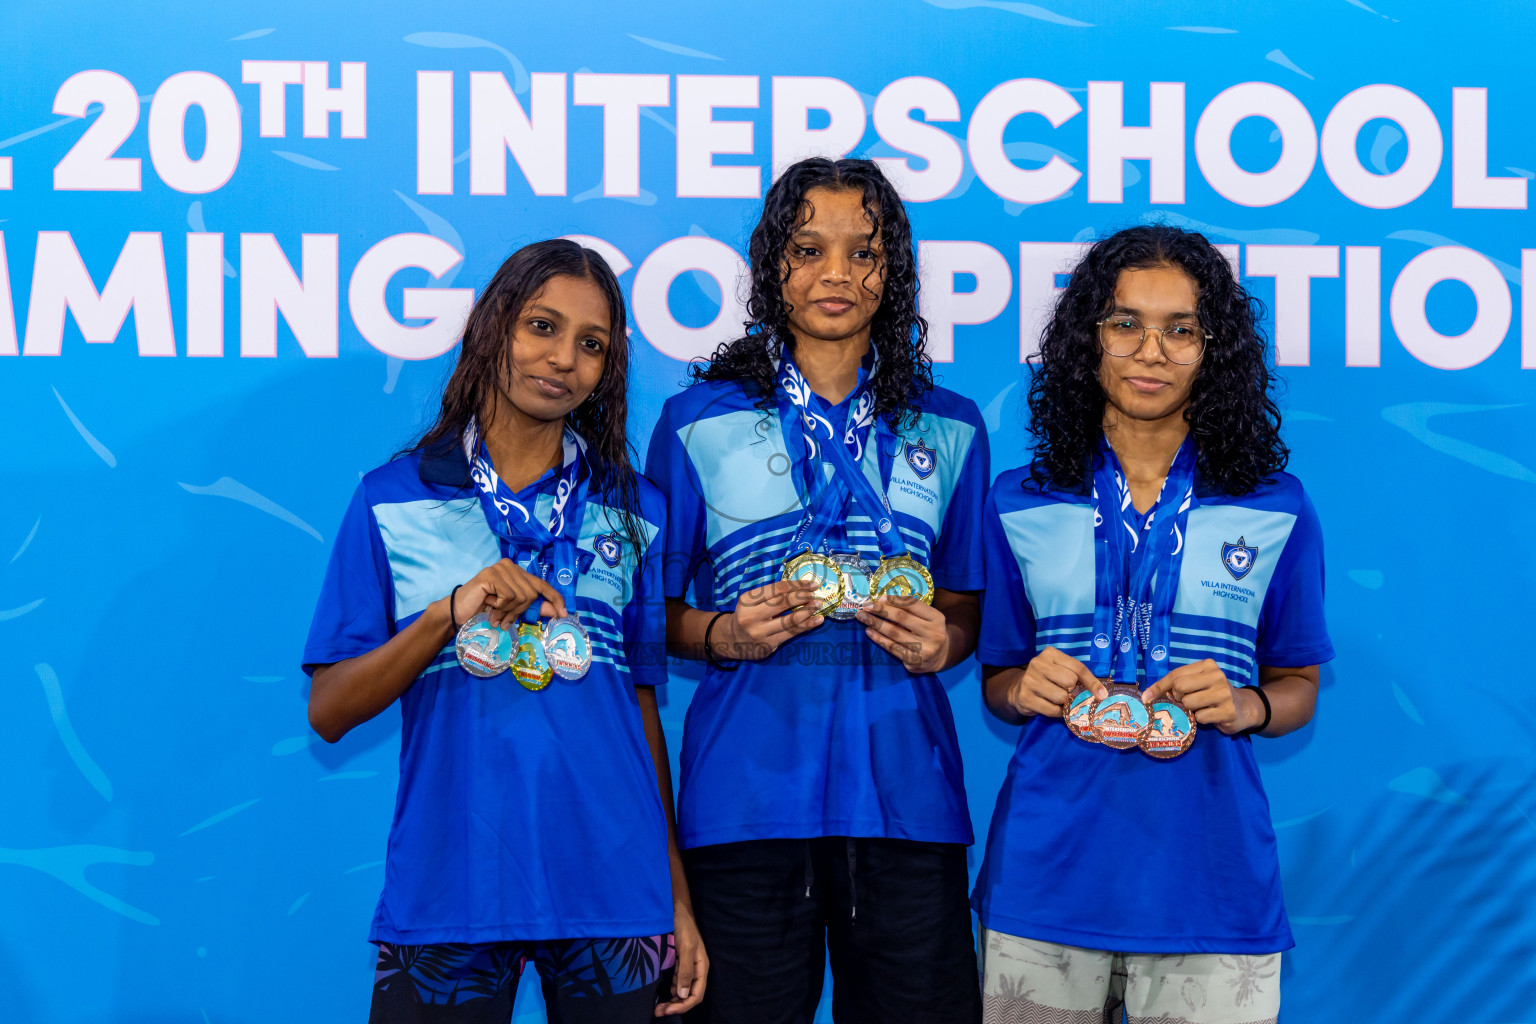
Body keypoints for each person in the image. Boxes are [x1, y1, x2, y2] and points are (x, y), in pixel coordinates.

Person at [301, 239, 707, 1023]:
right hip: (452, 887)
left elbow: (642, 713)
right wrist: (445, 615)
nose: (563, 359)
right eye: (541, 327)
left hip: (614, 897)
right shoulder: (390, 499)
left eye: (591, 344)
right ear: (492, 329)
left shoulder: (639, 511)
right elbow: (330, 709)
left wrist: (677, 897)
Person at [645, 158, 987, 1023]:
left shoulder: (951, 425)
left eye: (864, 252)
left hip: (908, 806)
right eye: (808, 249)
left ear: (893, 272)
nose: (837, 273)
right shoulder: (696, 423)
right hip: (745, 806)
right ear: (773, 268)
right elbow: (651, 616)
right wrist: (723, 634)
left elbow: (968, 603)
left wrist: (944, 640)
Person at [973, 225, 1334, 1023]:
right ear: (1088, 339)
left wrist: (1249, 706)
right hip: (1045, 878)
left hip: (1213, 884)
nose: (1152, 351)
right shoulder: (1017, 499)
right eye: (1126, 323)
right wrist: (1019, 686)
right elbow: (999, 679)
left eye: (1182, 329)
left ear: (1215, 350)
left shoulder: (1275, 506)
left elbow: (1299, 684)